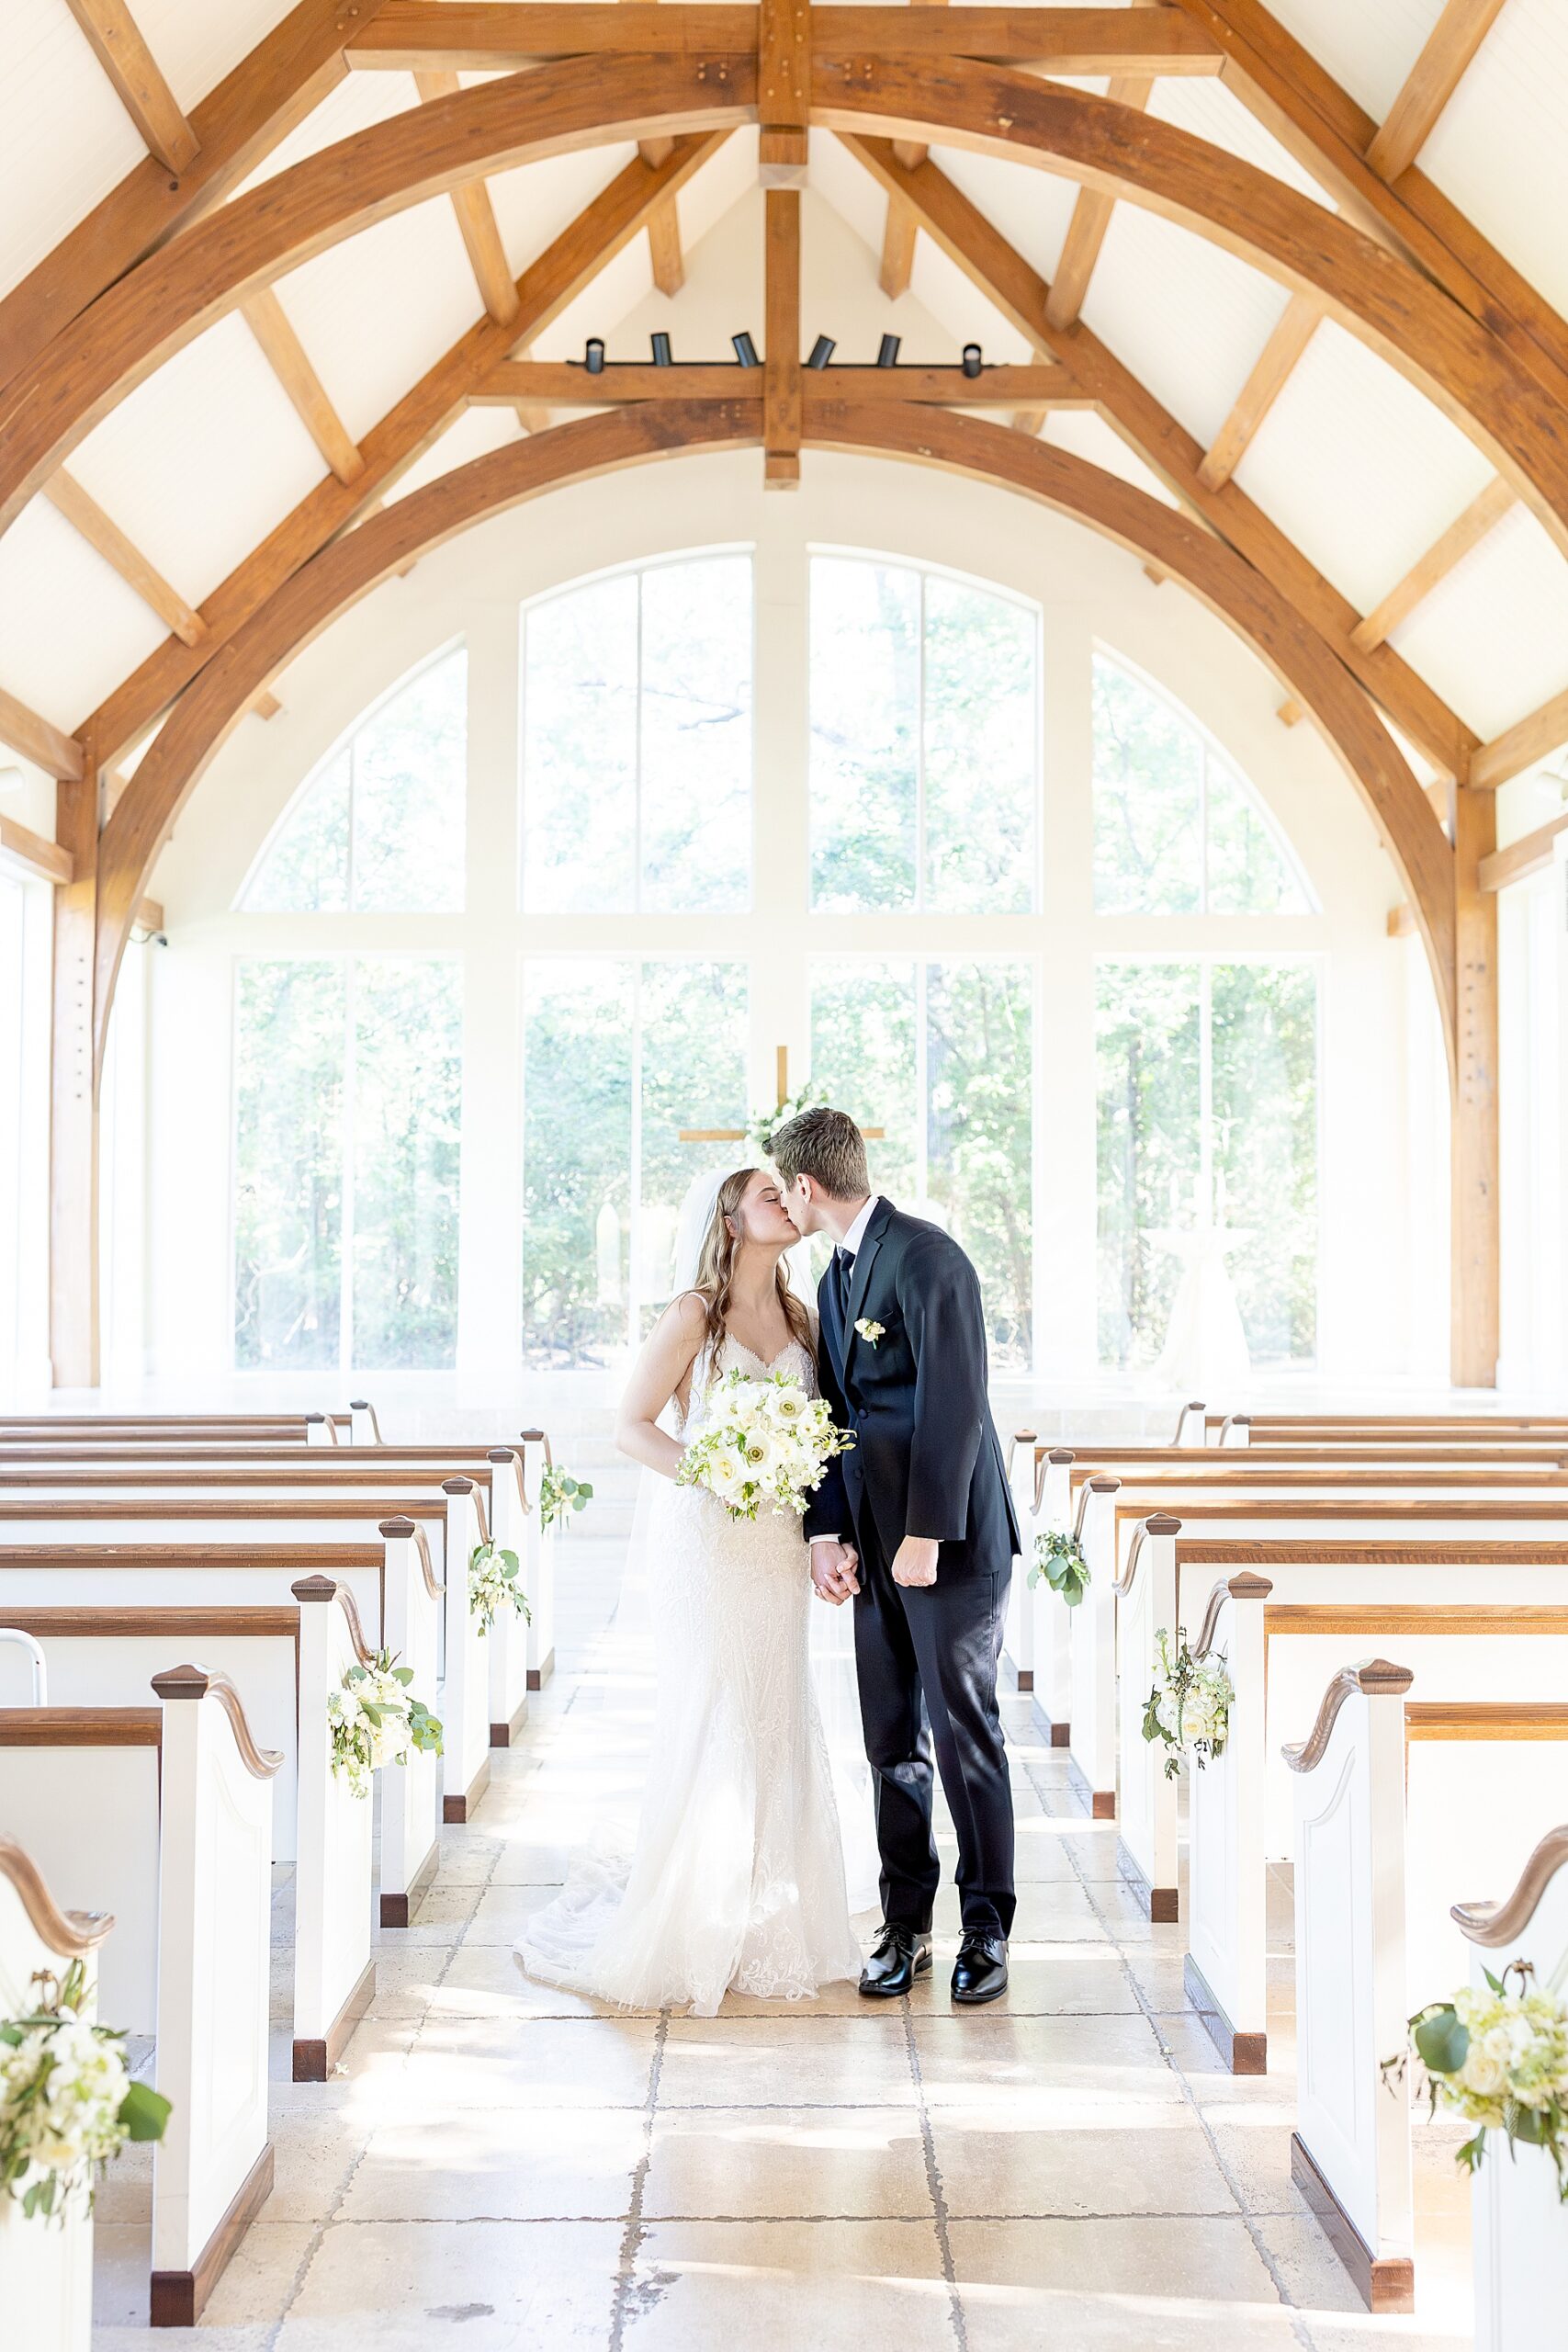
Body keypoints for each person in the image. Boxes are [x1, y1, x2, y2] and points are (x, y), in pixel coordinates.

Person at [514, 1165, 863, 2017]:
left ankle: (765, 1913)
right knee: (717, 1710)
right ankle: (696, 1917)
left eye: (789, 1195)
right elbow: (631, 1425)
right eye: (769, 1197)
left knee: (774, 1706)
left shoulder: (803, 1317)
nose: (787, 1205)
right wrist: (710, 1472)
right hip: (709, 1541)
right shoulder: (694, 1317)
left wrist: (819, 1523)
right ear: (732, 1220)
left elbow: (823, 1441)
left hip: (776, 1544)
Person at [770, 1105, 1020, 2006]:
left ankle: (987, 1925)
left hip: (948, 1543)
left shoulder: (929, 1258)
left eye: (781, 1189)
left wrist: (924, 1535)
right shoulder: (835, 1279)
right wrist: (828, 1532)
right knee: (889, 1740)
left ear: (804, 1186)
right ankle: (905, 1921)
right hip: (876, 1547)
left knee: (964, 1735)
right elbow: (835, 1416)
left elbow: (957, 1402)